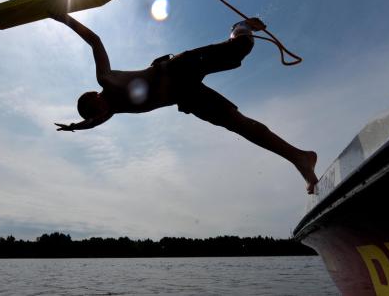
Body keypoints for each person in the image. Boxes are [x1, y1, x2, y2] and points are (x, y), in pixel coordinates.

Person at [50, 13, 318, 194]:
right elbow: (92, 122)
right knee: (240, 125)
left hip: (178, 68)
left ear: (95, 97)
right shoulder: (112, 111)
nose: (102, 116)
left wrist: (62, 17)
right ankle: (300, 158)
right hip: (186, 97)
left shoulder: (106, 80)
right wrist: (76, 127)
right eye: (98, 117)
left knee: (241, 48)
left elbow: (95, 41)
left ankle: (240, 27)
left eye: (98, 112)